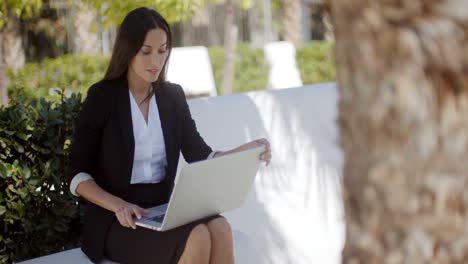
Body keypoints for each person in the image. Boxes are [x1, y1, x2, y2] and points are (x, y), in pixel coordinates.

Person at [66, 7, 271, 264]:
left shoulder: (171, 96)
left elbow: (200, 153)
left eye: (163, 50)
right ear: (128, 51)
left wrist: (245, 151)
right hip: (117, 219)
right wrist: (118, 204)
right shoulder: (102, 97)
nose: (156, 61)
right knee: (197, 237)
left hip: (165, 209)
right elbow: (76, 174)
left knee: (221, 229)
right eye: (146, 51)